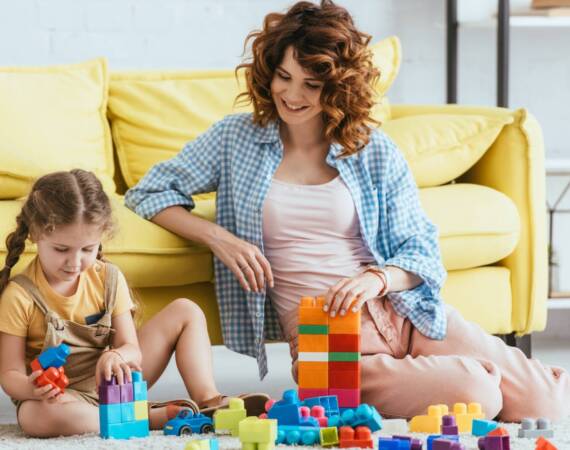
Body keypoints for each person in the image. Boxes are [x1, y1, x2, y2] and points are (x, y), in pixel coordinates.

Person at [125, 0, 570, 422]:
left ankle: (469, 373)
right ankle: (438, 380)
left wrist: (376, 278)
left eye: (311, 85)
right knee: (479, 394)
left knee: (546, 403)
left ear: (338, 87)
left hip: (403, 312)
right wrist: (219, 238)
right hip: (325, 335)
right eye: (283, 76)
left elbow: (420, 251)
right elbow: (150, 191)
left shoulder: (373, 150)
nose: (291, 95)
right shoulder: (236, 138)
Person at [0, 169, 268, 438]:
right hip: (61, 399)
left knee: (187, 310)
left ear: (101, 237)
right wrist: (32, 389)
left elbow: (133, 350)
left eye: (87, 249)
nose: (75, 262)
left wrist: (117, 354)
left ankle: (209, 400)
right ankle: (150, 416)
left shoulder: (107, 277)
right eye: (61, 250)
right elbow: (10, 373)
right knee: (37, 419)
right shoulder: (19, 295)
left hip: (115, 383)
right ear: (35, 234)